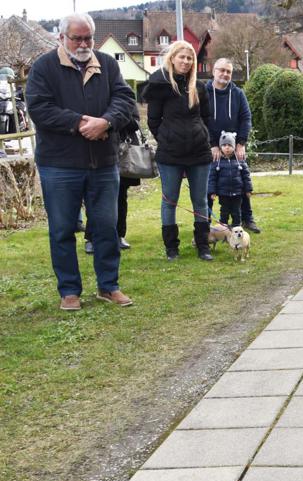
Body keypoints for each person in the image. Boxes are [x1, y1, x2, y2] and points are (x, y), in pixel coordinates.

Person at [26, 12, 135, 310]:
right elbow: (39, 108)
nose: (84, 43)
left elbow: (125, 100)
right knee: (62, 230)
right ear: (62, 37)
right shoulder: (44, 67)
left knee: (106, 228)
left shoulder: (108, 64)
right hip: (59, 165)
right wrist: (81, 123)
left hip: (103, 164)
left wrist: (107, 122)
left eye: (88, 37)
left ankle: (108, 286)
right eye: (78, 38)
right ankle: (69, 291)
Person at [144, 41, 213, 261]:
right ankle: (171, 248)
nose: (186, 61)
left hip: (199, 152)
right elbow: (153, 121)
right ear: (172, 58)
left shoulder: (199, 87)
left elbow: (207, 117)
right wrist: (166, 138)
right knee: (169, 200)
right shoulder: (160, 85)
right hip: (170, 153)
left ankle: (203, 246)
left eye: (190, 58)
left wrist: (201, 135)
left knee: (200, 200)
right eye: (182, 57)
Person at [205, 58, 259, 233]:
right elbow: (199, 119)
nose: (225, 74)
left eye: (228, 71)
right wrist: (212, 145)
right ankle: (205, 222)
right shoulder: (203, 92)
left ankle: (247, 219)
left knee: (240, 183)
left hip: (234, 147)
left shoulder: (238, 93)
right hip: (211, 148)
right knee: (210, 185)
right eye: (222, 70)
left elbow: (246, 118)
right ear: (213, 71)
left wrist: (241, 143)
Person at [85, 111, 142, 254]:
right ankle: (91, 237)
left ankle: (119, 235)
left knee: (121, 197)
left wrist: (111, 121)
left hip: (123, 152)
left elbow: (135, 123)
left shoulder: (123, 99)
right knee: (95, 197)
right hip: (98, 151)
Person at [207, 131, 253, 227]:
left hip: (237, 193)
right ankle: (223, 228)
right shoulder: (216, 162)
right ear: (220, 147)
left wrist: (248, 190)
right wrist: (212, 192)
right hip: (223, 193)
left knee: (236, 212)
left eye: (230, 145)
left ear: (234, 147)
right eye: (224, 145)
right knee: (224, 211)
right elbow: (212, 178)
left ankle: (236, 228)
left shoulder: (240, 161)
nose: (227, 147)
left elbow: (246, 176)